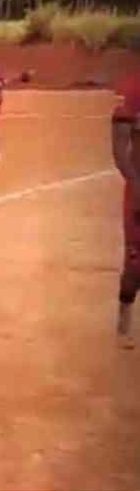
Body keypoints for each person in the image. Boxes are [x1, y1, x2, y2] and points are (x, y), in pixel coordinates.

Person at [112, 71, 140, 350]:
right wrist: (135, 183)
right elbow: (119, 147)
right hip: (139, 190)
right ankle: (124, 323)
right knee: (135, 264)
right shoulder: (134, 89)